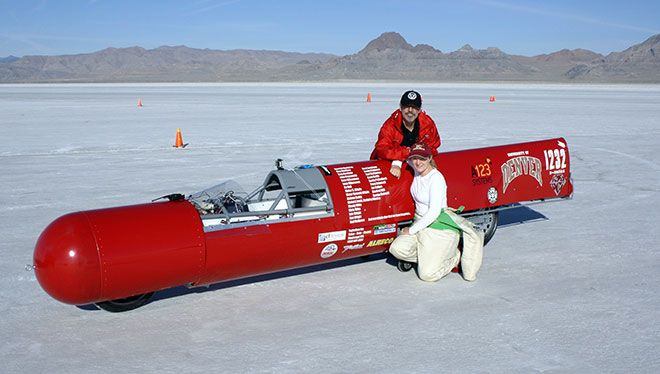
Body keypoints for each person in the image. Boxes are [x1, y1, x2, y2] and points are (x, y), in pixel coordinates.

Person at [388, 142, 484, 282]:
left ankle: (454, 256)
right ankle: (430, 257)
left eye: (422, 158)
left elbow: (433, 212)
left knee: (427, 275)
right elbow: (403, 156)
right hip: (421, 224)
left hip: (439, 228)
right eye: (415, 158)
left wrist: (411, 230)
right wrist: (396, 163)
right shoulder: (416, 169)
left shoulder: (436, 179)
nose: (418, 162)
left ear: (429, 158)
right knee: (397, 249)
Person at [370, 90, 441, 178]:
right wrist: (404, 156)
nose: (410, 110)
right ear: (401, 107)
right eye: (406, 106)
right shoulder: (390, 125)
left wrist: (419, 155)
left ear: (419, 110)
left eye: (414, 107)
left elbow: (434, 145)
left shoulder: (427, 124)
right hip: (386, 162)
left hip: (414, 162)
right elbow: (382, 149)